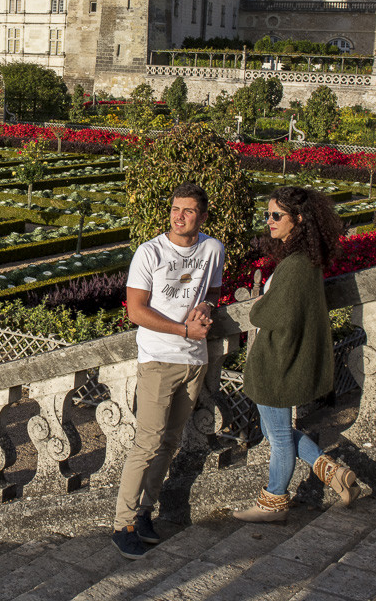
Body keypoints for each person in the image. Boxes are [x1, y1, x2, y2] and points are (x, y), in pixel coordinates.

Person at [112, 183, 223, 559]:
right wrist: (183, 330)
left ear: (202, 216)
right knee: (147, 442)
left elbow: (213, 292)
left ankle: (144, 513)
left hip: (194, 361)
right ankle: (122, 524)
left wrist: (207, 306)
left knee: (170, 441)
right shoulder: (150, 252)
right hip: (158, 358)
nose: (179, 216)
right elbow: (135, 311)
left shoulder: (213, 249)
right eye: (175, 209)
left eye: (188, 210)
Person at [234, 186, 358, 523]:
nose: (269, 221)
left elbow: (268, 315)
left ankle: (273, 502)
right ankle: (332, 471)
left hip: (277, 365)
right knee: (275, 431)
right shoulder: (305, 261)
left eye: (277, 215)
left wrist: (259, 307)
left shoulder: (294, 266)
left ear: (299, 219)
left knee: (278, 438)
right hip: (283, 361)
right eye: (268, 214)